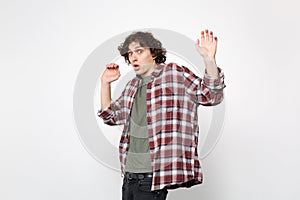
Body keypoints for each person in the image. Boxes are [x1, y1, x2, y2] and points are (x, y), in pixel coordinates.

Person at [97, 29, 226, 200]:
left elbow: (211, 95)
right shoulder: (131, 86)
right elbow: (110, 116)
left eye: (139, 51)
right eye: (130, 54)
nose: (133, 57)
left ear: (153, 53)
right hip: (129, 176)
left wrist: (209, 60)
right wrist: (105, 83)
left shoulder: (174, 73)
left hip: (152, 178)